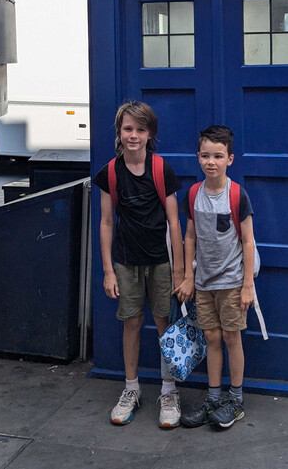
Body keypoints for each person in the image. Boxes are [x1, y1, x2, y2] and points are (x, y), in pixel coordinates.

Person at [94, 101, 184, 429]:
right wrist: (107, 270)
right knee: (131, 323)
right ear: (119, 132)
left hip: (161, 263)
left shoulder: (162, 170)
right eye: (128, 129)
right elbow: (106, 222)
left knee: (164, 325)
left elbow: (175, 223)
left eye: (140, 130)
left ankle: (169, 392)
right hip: (126, 262)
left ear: (150, 134)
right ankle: (131, 389)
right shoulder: (110, 173)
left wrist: (180, 270)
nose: (134, 136)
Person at [176, 125, 255, 429]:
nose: (211, 161)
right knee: (211, 337)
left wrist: (247, 285)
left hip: (232, 282)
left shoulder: (237, 195)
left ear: (230, 159)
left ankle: (235, 400)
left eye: (218, 156)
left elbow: (248, 241)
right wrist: (187, 277)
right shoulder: (194, 194)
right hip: (204, 283)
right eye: (206, 155)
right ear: (198, 157)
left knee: (231, 337)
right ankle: (213, 397)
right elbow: (190, 237)